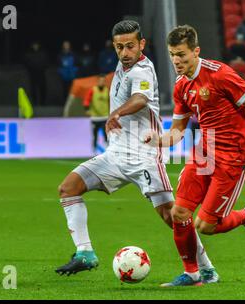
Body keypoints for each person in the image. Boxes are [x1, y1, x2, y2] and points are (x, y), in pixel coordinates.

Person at [55, 21, 219, 284]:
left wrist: (117, 112)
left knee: (172, 216)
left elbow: (140, 99)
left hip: (143, 155)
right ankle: (85, 252)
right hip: (115, 155)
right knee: (68, 189)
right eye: (119, 47)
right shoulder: (123, 65)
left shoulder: (142, 69)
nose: (124, 52)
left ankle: (206, 268)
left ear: (141, 44)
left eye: (130, 46)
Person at [145, 25, 245, 287]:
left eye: (182, 56)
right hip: (204, 150)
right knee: (180, 213)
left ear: (196, 52)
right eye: (173, 55)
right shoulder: (181, 86)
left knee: (206, 226)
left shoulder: (220, 74)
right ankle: (193, 274)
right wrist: (160, 141)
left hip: (233, 156)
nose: (176, 61)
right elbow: (177, 130)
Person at [83, 74, 109, 154]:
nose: (102, 82)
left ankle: (107, 151)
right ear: (97, 81)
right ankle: (94, 152)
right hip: (95, 117)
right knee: (95, 135)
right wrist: (87, 109)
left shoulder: (107, 90)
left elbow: (111, 101)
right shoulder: (92, 90)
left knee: (106, 135)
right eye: (100, 81)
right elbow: (86, 100)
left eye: (103, 81)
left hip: (105, 116)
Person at [24, 41, 49, 106]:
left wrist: (42, 68)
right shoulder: (29, 54)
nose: (35, 47)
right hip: (32, 74)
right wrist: (31, 69)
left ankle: (42, 102)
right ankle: (34, 102)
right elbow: (26, 63)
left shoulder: (43, 53)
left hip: (41, 73)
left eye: (36, 45)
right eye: (34, 45)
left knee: (42, 88)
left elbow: (46, 62)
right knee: (33, 89)